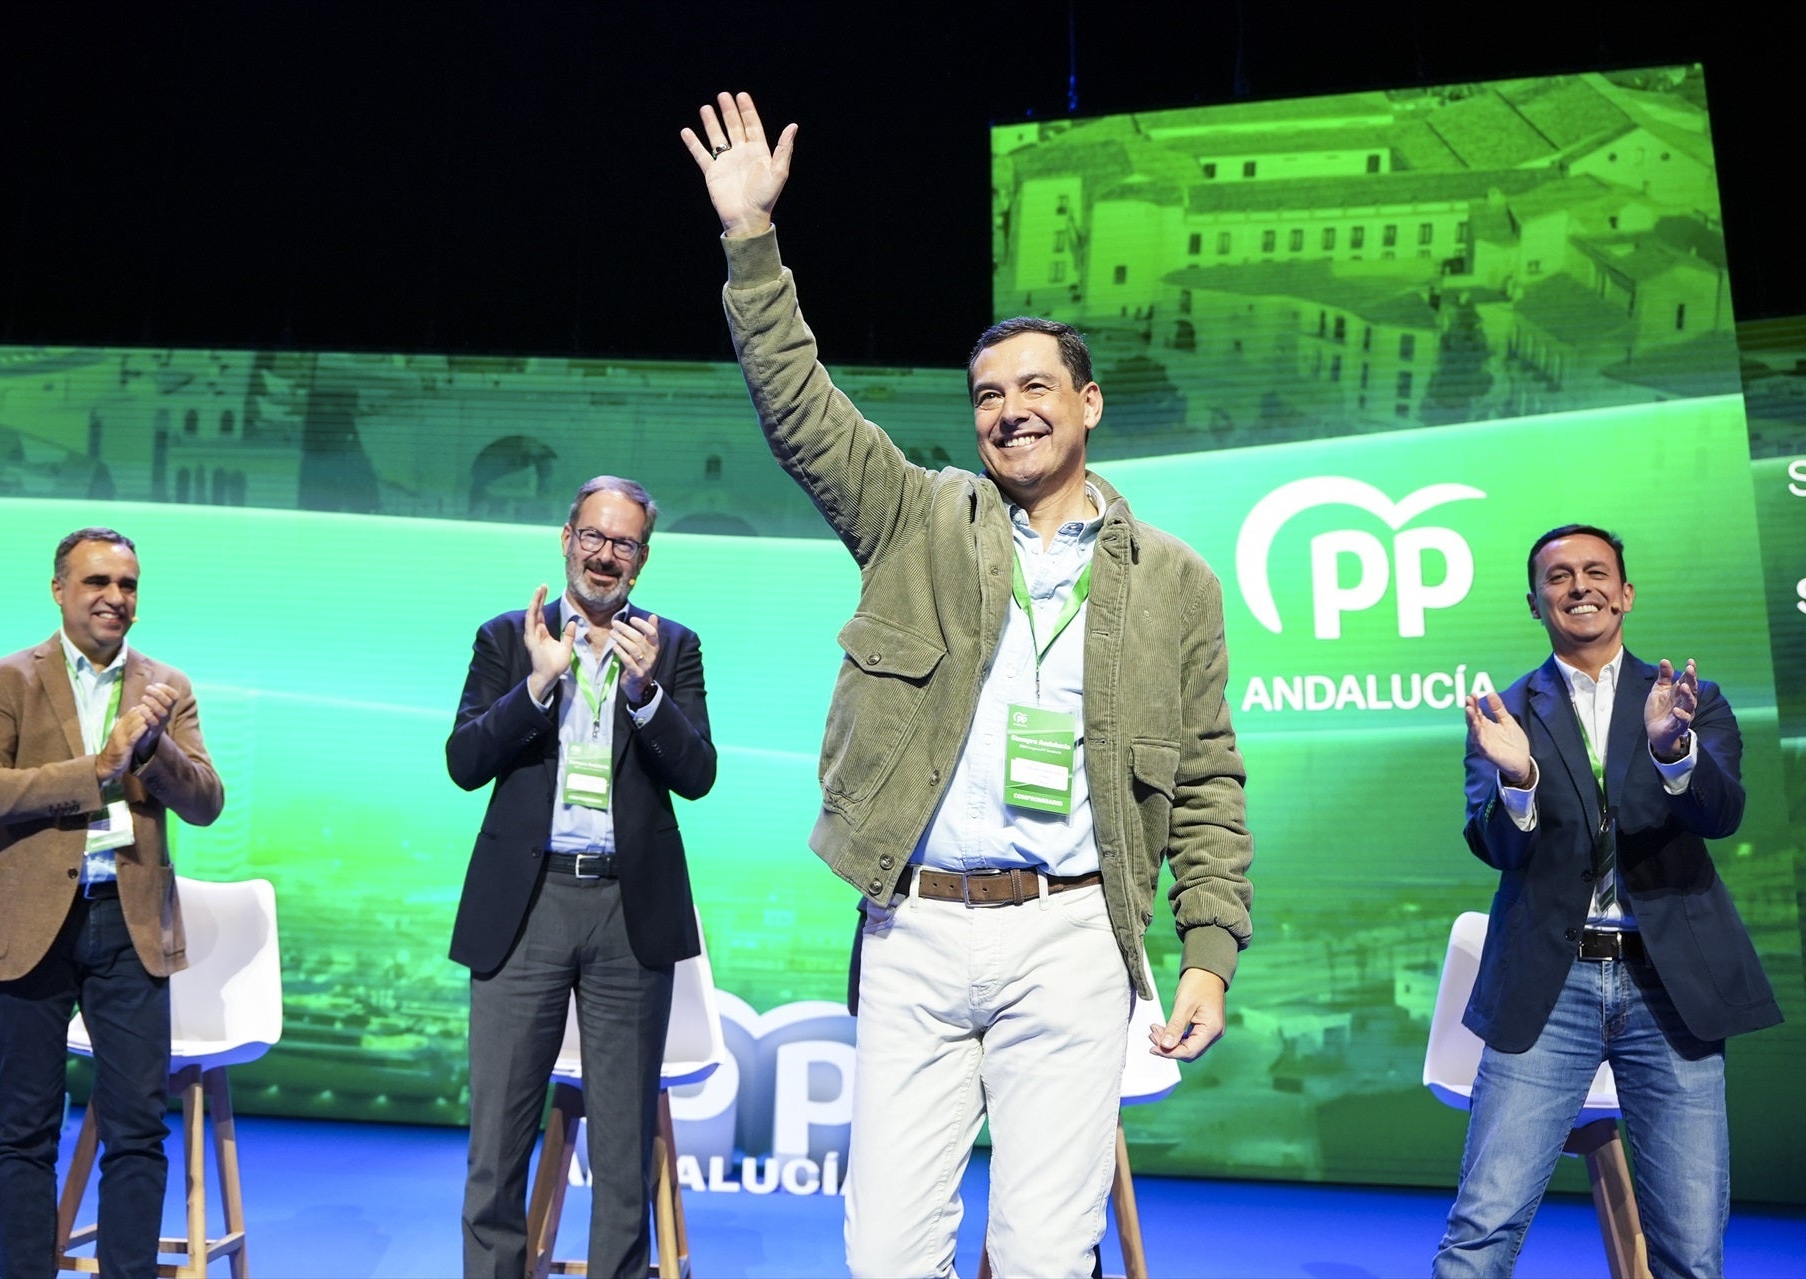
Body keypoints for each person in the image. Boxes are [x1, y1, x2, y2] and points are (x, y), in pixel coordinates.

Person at [681, 93, 1253, 1278]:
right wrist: (751, 240)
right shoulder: (917, 514)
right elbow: (799, 405)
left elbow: (1207, 780)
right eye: (990, 395)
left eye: (1036, 389)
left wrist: (1207, 948)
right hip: (919, 927)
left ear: (1087, 406)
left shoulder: (1179, 586)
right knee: (888, 1256)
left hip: (1074, 935)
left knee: (1045, 1256)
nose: (1010, 412)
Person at [1435, 524, 1781, 1277]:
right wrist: (1517, 780)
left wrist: (1671, 750)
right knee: (1481, 1233)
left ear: (1626, 593)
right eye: (1559, 577)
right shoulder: (1504, 713)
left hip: (1670, 986)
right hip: (1548, 985)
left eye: (1597, 572)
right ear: (1535, 601)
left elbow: (1721, 815)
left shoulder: (1689, 699)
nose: (1579, 586)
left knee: (1690, 1248)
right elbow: (1494, 844)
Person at [446, 476, 717, 1279]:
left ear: (643, 557)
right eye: (593, 537)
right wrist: (537, 684)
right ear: (566, 538)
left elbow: (698, 773)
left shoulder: (672, 646)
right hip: (524, 909)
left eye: (624, 542)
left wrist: (644, 695)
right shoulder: (508, 636)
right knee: (496, 1147)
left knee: (626, 1155)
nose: (606, 555)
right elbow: (464, 761)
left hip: (627, 912)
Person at [0, 526, 225, 1279]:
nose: (115, 598)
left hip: (128, 920)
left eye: (128, 585)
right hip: (30, 920)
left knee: (138, 1128)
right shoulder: (7, 677)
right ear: (60, 590)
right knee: (26, 1129)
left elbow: (206, 802)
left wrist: (153, 749)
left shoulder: (167, 685)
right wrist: (97, 769)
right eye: (98, 582)